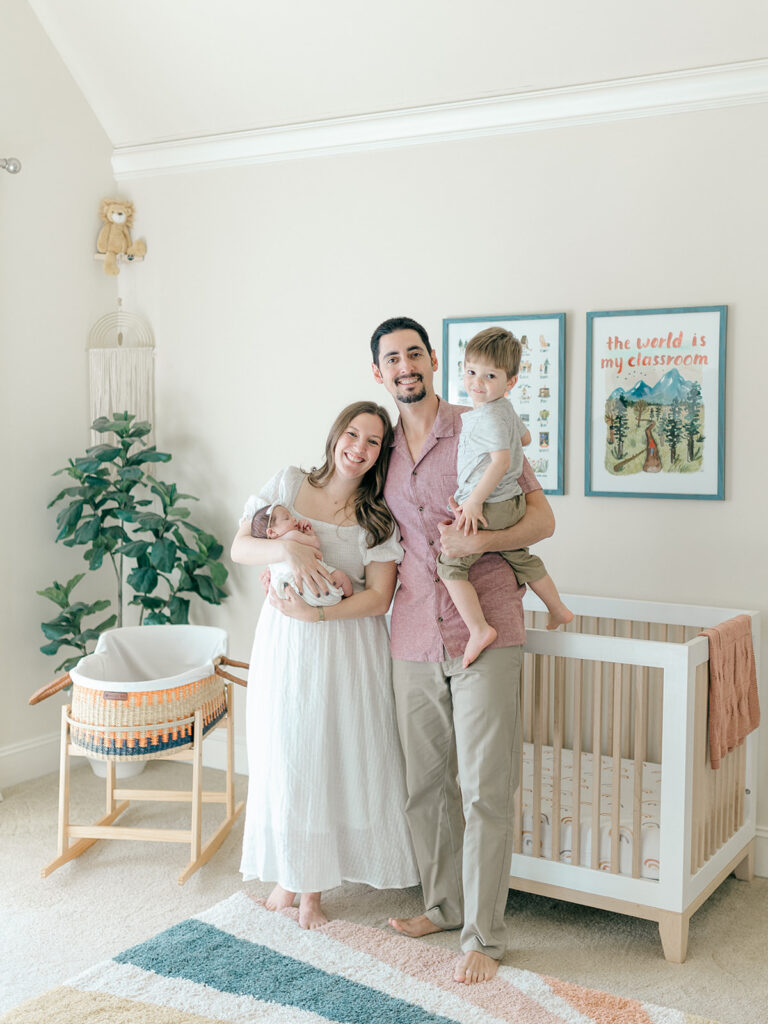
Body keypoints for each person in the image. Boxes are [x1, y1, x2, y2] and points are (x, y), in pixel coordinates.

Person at [370, 316, 555, 984]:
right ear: (379, 374)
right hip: (414, 627)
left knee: (484, 789)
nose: (405, 366)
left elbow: (542, 519)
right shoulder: (379, 448)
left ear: (432, 362)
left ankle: (484, 936)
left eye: (415, 353)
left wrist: (477, 544)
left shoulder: (481, 420)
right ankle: (442, 906)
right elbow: (341, 513)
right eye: (393, 359)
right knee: (425, 786)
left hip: (489, 621)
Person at [231, 400, 418, 930]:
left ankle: (311, 889)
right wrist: (287, 555)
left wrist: (317, 612)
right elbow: (242, 547)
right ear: (336, 434)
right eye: (353, 434)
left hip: (344, 645)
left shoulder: (379, 514)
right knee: (288, 752)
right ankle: (292, 872)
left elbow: (380, 598)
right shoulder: (289, 485)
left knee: (331, 753)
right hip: (286, 644)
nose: (359, 448)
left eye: (374, 442)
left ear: (383, 452)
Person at [436, 326, 572, 667]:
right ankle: (558, 608)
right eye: (471, 372)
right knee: (520, 557)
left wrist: (474, 501)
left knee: (450, 565)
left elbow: (502, 461)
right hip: (512, 503)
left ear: (510, 382)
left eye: (490, 376)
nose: (477, 383)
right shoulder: (505, 409)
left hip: (492, 503)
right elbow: (524, 440)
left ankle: (478, 629)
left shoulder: (487, 416)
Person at [249, 502, 354, 606]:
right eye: (287, 518)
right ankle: (348, 597)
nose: (294, 518)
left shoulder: (270, 551)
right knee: (341, 577)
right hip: (311, 585)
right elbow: (315, 544)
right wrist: (309, 533)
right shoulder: (292, 535)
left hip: (293, 593)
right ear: (271, 532)